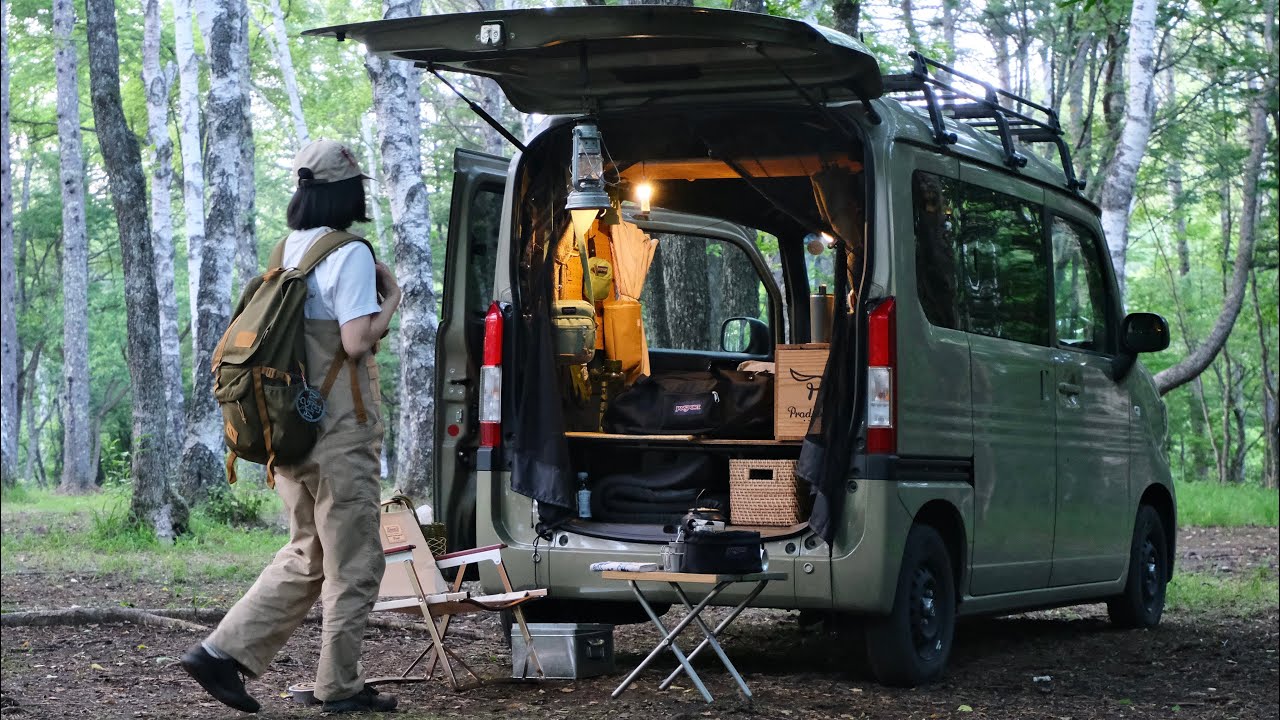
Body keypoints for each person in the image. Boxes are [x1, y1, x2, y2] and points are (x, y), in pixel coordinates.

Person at [181, 139, 401, 714]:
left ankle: (218, 653)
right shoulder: (349, 253)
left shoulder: (289, 251)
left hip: (288, 432)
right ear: (346, 192)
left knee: (308, 553)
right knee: (354, 562)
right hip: (337, 433)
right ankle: (340, 688)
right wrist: (392, 298)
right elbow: (355, 343)